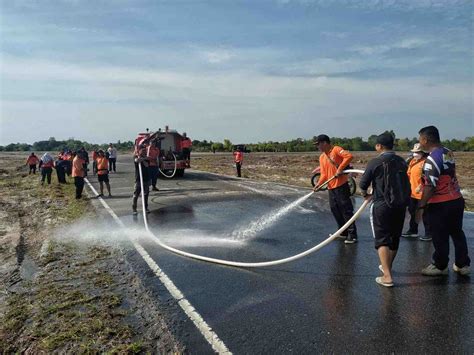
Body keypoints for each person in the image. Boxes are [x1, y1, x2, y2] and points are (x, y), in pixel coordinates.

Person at [416, 126, 470, 276]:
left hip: (440, 204)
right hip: (456, 199)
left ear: (425, 140)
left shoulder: (431, 159)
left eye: (420, 139)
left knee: (440, 235)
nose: (419, 142)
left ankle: (440, 265)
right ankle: (463, 264)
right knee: (457, 232)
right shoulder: (448, 152)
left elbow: (430, 185)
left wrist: (421, 206)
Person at [359, 132, 410, 287]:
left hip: (382, 205)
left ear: (379, 146)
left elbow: (363, 184)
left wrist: (365, 194)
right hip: (400, 205)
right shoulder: (402, 162)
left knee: (382, 239)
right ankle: (388, 267)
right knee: (394, 237)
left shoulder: (375, 162)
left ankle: (387, 276)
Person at [313, 134, 357, 244]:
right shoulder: (322, 157)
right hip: (331, 187)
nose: (317, 147)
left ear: (325, 143)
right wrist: (319, 184)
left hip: (341, 185)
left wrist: (340, 169)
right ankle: (343, 232)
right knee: (334, 209)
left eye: (318, 144)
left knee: (346, 210)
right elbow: (323, 174)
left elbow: (349, 156)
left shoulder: (336, 150)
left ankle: (352, 234)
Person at [402, 143, 432, 241]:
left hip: (423, 193)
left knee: (425, 214)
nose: (415, 154)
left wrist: (421, 185)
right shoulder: (412, 161)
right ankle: (413, 230)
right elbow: (408, 175)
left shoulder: (426, 162)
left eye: (418, 152)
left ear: (423, 152)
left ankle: (429, 233)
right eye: (414, 152)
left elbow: (428, 177)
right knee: (413, 212)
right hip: (412, 193)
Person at [132, 146, 151, 215]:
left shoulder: (146, 158)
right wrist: (141, 158)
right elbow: (136, 161)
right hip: (139, 179)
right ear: (139, 151)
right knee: (136, 195)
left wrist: (142, 159)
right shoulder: (135, 157)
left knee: (146, 194)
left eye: (145, 150)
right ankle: (134, 209)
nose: (144, 152)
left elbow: (146, 165)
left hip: (146, 179)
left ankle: (145, 208)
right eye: (142, 151)